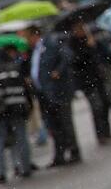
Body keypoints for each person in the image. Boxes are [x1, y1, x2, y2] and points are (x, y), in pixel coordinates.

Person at [20, 23, 81, 166]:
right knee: (53, 125)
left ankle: (73, 150)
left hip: (58, 91)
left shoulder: (52, 42)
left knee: (65, 123)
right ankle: (59, 155)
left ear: (35, 35)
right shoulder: (32, 51)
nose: (26, 40)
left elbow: (67, 56)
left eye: (27, 37)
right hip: (43, 93)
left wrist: (58, 71)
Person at [0, 47, 33, 184]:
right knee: (21, 138)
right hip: (17, 108)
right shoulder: (16, 68)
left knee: (0, 142)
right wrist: (29, 106)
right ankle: (25, 167)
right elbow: (26, 89)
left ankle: (1, 172)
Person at [69, 23, 111, 143]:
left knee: (105, 103)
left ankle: (107, 130)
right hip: (87, 81)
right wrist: (88, 48)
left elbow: (105, 56)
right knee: (96, 106)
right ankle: (101, 134)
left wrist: (94, 46)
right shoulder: (73, 44)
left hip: (99, 77)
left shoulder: (92, 39)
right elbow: (76, 61)